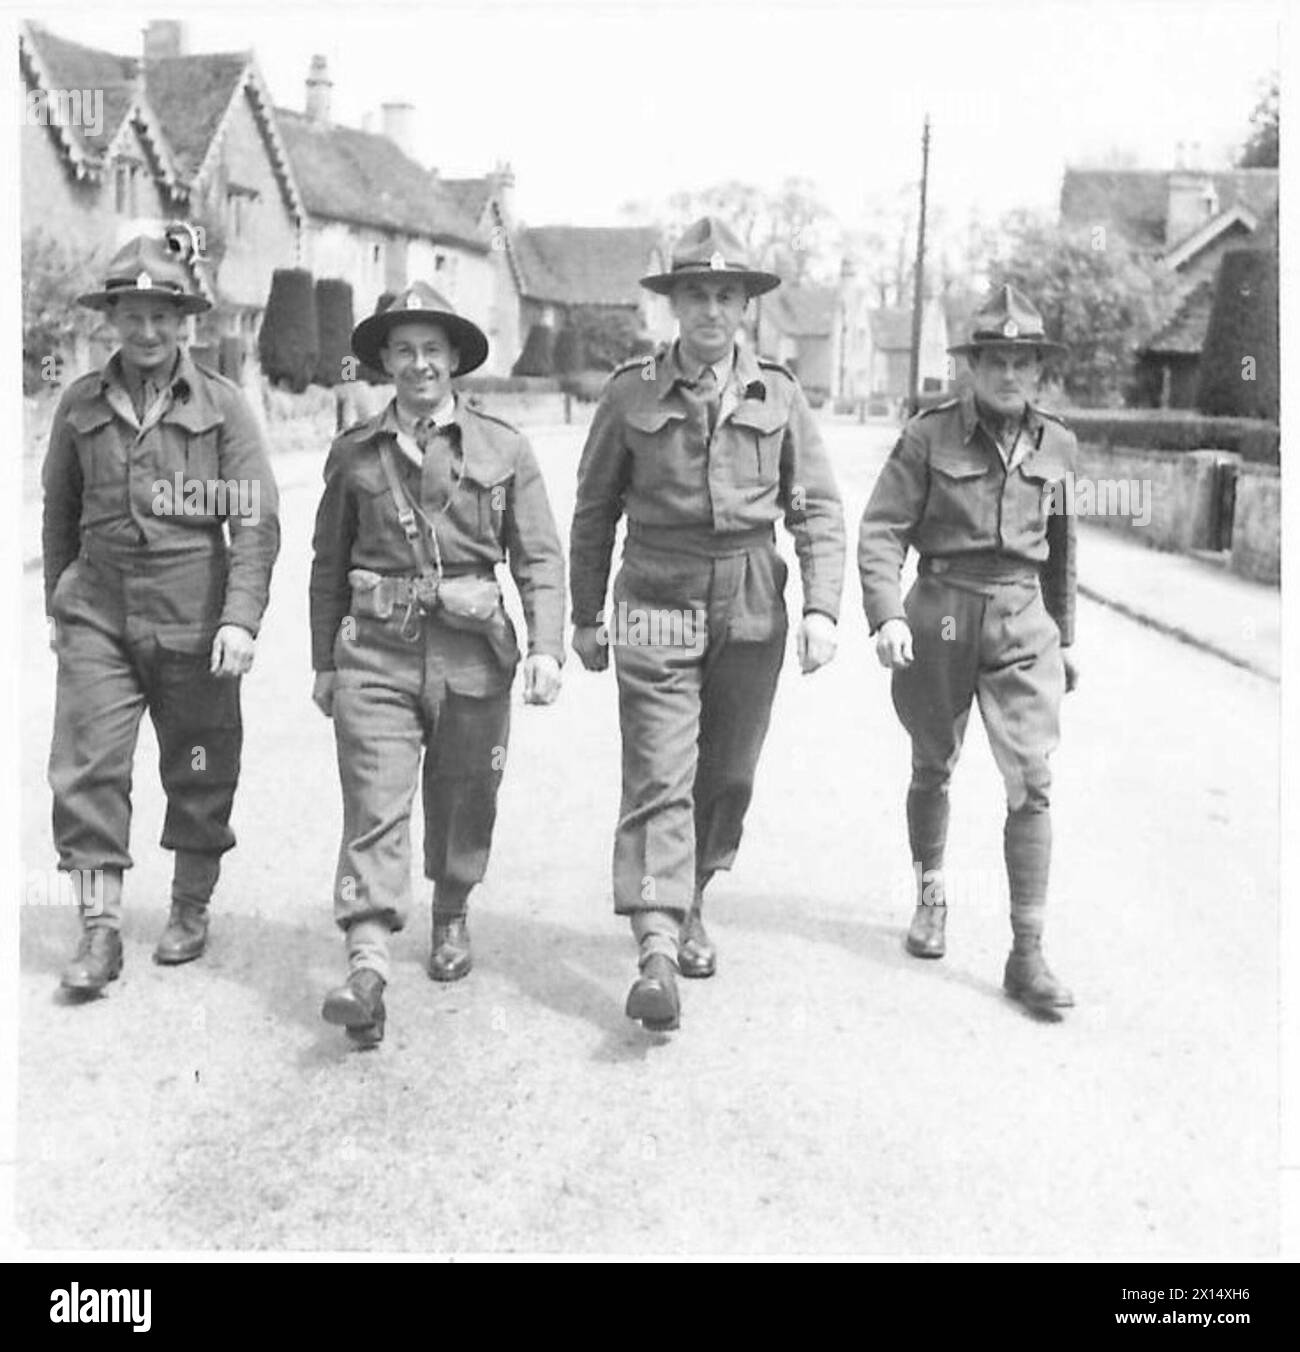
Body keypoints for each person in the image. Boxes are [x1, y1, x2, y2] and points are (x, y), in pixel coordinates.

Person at [570, 216, 845, 1032]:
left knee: (727, 773)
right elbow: (594, 512)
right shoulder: (631, 393)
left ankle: (693, 896)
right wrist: (585, 615)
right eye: (697, 295)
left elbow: (817, 506)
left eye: (727, 296)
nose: (712, 312)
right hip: (656, 588)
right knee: (659, 769)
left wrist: (824, 607)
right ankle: (656, 944)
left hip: (751, 594)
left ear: (746, 307)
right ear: (674, 304)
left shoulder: (780, 395)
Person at [310, 283, 564, 1048]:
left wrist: (547, 646)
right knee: (373, 801)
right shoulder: (355, 452)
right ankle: (366, 963)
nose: (418, 365)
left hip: (472, 659)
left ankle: (451, 910)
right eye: (403, 351)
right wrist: (325, 659)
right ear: (383, 360)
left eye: (432, 350)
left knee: (464, 796)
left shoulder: (503, 448)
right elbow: (329, 564)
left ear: (454, 359)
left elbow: (539, 555)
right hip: (376, 655)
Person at [42, 233, 281, 996]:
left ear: (185, 322)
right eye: (131, 315)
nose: (146, 333)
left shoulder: (222, 406)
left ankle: (188, 905)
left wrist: (240, 619)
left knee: (201, 764)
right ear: (111, 317)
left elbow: (255, 519)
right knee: (88, 766)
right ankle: (99, 930)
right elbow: (61, 509)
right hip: (99, 614)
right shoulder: (78, 404)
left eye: (161, 317)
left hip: (193, 615)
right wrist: (60, 598)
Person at [858, 284, 1079, 1016]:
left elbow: (1062, 553)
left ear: (1040, 372)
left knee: (1033, 779)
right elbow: (883, 528)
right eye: (994, 360)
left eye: (1023, 361)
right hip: (941, 612)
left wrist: (1066, 639)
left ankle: (1028, 951)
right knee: (933, 764)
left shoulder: (1058, 445)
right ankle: (931, 897)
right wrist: (886, 613)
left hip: (1021, 616)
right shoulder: (928, 436)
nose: (1008, 374)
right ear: (970, 367)